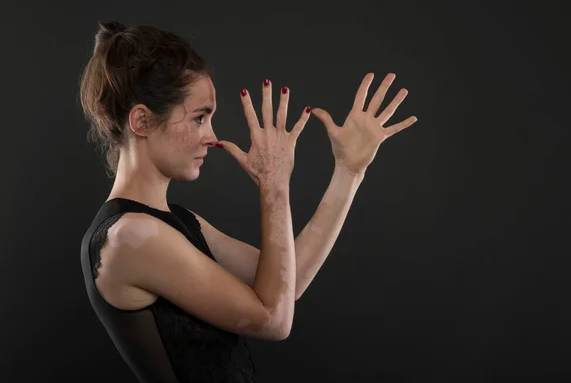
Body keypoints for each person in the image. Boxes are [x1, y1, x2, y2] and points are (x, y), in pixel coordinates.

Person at [79, 20, 417, 383]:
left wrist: (348, 172)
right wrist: (273, 186)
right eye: (199, 118)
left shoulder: (175, 221)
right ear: (142, 120)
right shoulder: (131, 237)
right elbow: (273, 319)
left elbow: (289, 282)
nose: (211, 136)